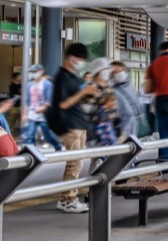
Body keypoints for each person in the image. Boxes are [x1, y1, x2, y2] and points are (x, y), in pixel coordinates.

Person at [50, 43, 99, 213]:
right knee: (74, 164)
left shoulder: (72, 76)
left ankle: (65, 199)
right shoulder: (62, 77)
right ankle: (69, 199)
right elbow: (63, 104)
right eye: (80, 59)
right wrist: (83, 92)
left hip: (77, 124)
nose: (82, 63)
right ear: (71, 58)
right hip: (70, 126)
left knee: (75, 163)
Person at [21, 64, 63, 151]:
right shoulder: (29, 85)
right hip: (32, 114)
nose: (33, 74)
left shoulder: (47, 84)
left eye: (35, 72)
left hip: (44, 115)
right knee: (30, 135)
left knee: (47, 136)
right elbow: (27, 101)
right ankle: (32, 152)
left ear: (41, 71)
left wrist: (43, 108)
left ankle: (58, 146)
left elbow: (49, 100)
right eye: (32, 72)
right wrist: (25, 114)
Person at [109, 61, 146, 143]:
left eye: (120, 71)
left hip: (134, 126)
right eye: (115, 73)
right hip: (121, 129)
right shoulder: (113, 91)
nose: (119, 74)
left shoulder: (130, 86)